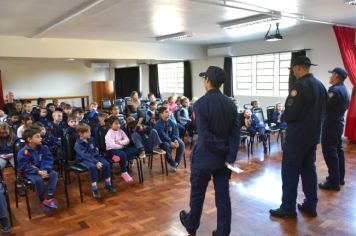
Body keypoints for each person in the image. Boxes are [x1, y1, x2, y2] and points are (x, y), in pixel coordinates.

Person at [179, 66, 239, 236]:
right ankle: (223, 232)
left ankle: (192, 225)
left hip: (204, 159)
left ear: (208, 81)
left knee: (198, 194)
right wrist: (230, 155)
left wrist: (222, 151)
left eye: (204, 78)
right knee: (223, 198)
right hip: (224, 161)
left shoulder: (200, 104)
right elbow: (235, 134)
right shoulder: (231, 104)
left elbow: (204, 136)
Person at [270, 56, 327, 218]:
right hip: (313, 136)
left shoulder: (299, 86)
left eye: (294, 69)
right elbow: (324, 111)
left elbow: (291, 113)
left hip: (297, 138)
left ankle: (288, 208)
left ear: (300, 67)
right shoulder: (320, 86)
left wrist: (283, 116)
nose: (293, 72)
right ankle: (311, 205)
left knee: (290, 172)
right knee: (309, 170)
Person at [319, 67, 350, 190]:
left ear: (336, 76)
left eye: (332, 74)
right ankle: (339, 178)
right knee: (337, 150)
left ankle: (333, 182)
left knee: (330, 152)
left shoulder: (335, 90)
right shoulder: (344, 89)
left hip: (331, 125)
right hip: (338, 124)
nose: (330, 77)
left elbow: (324, 105)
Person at [17, 128, 59, 209]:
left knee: (54, 174)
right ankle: (42, 199)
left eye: (40, 136)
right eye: (37, 137)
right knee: (38, 180)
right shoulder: (23, 152)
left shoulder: (43, 148)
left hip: (43, 169)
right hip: (29, 172)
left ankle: (50, 197)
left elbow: (48, 159)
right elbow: (24, 166)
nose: (41, 138)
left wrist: (45, 169)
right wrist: (38, 172)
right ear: (29, 139)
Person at [74, 124, 116, 199]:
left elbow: (94, 150)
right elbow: (85, 155)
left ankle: (108, 184)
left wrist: (97, 156)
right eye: (87, 132)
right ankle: (95, 189)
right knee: (93, 167)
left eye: (89, 131)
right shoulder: (77, 144)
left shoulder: (91, 139)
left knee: (106, 164)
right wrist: (96, 162)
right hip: (83, 159)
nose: (90, 133)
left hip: (95, 156)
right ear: (80, 133)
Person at [105, 116, 137, 184]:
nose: (118, 125)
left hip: (121, 149)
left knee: (134, 149)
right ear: (110, 125)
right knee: (122, 154)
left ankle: (119, 158)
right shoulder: (109, 134)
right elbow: (112, 145)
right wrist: (123, 144)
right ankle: (124, 172)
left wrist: (120, 142)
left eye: (119, 123)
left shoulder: (121, 131)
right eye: (116, 124)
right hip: (112, 151)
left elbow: (127, 140)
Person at [155, 106, 185, 172]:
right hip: (162, 141)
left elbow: (176, 132)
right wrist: (170, 142)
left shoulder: (171, 122)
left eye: (169, 111)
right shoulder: (158, 124)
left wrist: (175, 140)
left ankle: (176, 163)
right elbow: (162, 135)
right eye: (166, 112)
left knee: (181, 144)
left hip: (172, 140)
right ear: (161, 114)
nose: (168, 113)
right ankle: (171, 162)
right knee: (166, 146)